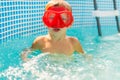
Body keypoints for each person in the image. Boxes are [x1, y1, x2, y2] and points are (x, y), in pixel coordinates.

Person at [21, 0, 91, 62]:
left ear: (70, 23)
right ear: (45, 21)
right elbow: (26, 51)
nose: (57, 23)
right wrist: (26, 60)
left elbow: (84, 55)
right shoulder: (40, 41)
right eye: (51, 17)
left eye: (63, 18)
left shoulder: (73, 42)